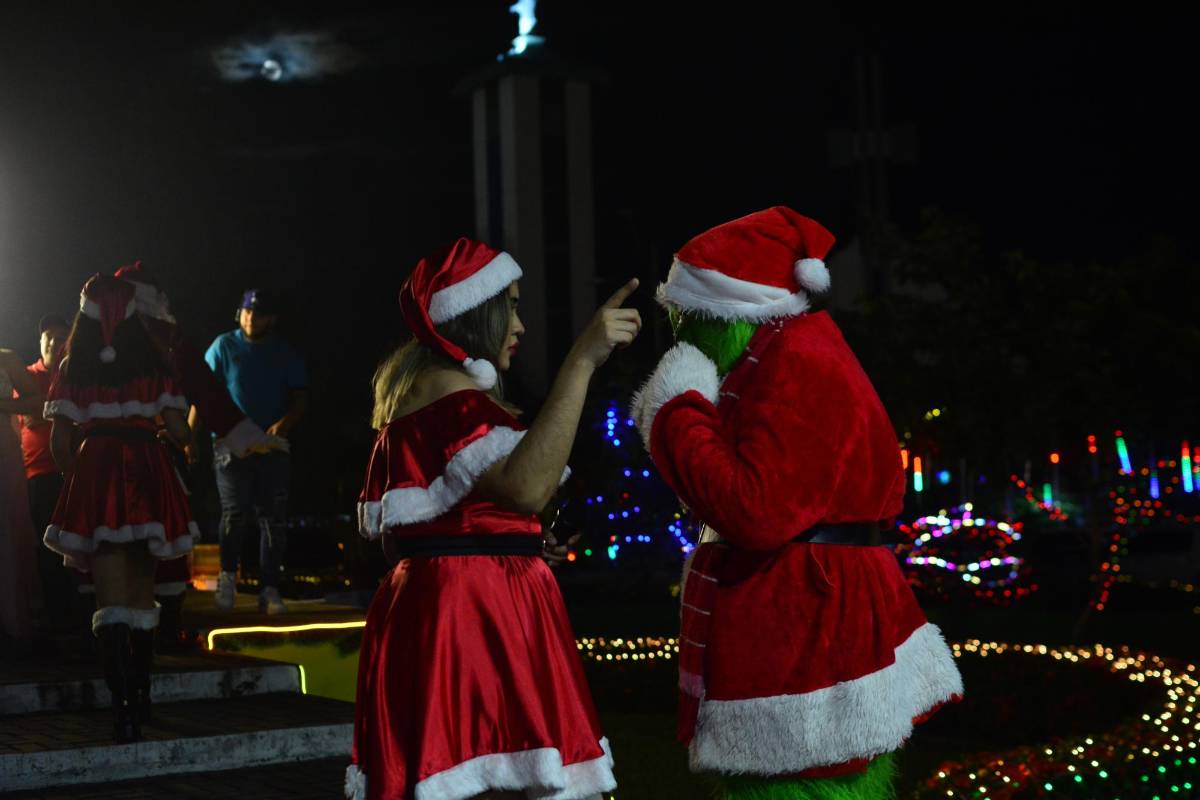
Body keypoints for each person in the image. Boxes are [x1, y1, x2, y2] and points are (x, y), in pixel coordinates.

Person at [630, 207, 963, 800]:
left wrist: (675, 412)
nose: (679, 335)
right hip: (815, 602)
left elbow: (756, 511)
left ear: (724, 312)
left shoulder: (796, 364)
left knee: (797, 783)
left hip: (806, 619)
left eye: (686, 318)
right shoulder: (788, 355)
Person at [345, 238, 638, 800]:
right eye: (512, 307)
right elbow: (528, 488)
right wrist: (582, 360)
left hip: (448, 604)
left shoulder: (420, 395)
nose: (520, 325)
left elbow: (408, 539)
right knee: (489, 778)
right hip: (473, 614)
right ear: (476, 314)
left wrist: (511, 542)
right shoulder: (453, 398)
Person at [43, 274, 197, 742]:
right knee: (140, 595)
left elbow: (59, 443)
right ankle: (142, 695)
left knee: (110, 600)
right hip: (148, 469)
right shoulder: (152, 361)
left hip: (98, 468)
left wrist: (80, 479)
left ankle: (122, 709)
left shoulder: (74, 365)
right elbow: (181, 431)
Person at [113, 262, 279, 644]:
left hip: (126, 454)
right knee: (154, 537)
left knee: (123, 540)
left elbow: (205, 394)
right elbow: (205, 394)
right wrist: (191, 435)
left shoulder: (114, 339)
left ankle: (132, 635)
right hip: (144, 453)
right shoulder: (167, 340)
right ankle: (154, 632)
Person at [198, 287, 307, 614]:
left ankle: (269, 588)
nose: (251, 318)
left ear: (271, 318)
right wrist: (189, 436)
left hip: (271, 444)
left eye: (258, 314)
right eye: (247, 311)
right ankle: (227, 579)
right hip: (230, 442)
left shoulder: (284, 351)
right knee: (234, 512)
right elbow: (202, 393)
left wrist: (284, 424)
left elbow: (301, 397)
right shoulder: (223, 345)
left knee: (273, 519)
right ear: (239, 312)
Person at [14, 316, 75, 632]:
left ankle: (76, 619)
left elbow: (43, 414)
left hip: (76, 472)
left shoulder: (76, 374)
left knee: (74, 546)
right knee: (46, 549)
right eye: (48, 336)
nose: (53, 341)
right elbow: (30, 412)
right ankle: (56, 621)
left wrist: (44, 414)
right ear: (40, 342)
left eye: (61, 336)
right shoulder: (25, 375)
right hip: (38, 473)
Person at [0, 347, 46, 651]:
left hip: (2, 447)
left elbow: (37, 401)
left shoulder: (5, 358)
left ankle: (10, 621)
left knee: (6, 528)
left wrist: (1, 404)